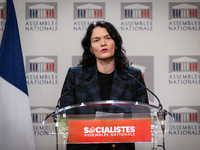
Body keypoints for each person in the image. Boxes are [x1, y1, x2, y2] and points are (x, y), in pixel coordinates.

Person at [60, 20, 149, 150]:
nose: (103, 43)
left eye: (108, 38)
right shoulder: (76, 75)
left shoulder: (133, 76)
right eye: (96, 40)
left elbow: (143, 116)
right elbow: (65, 117)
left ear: (116, 44)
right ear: (90, 48)